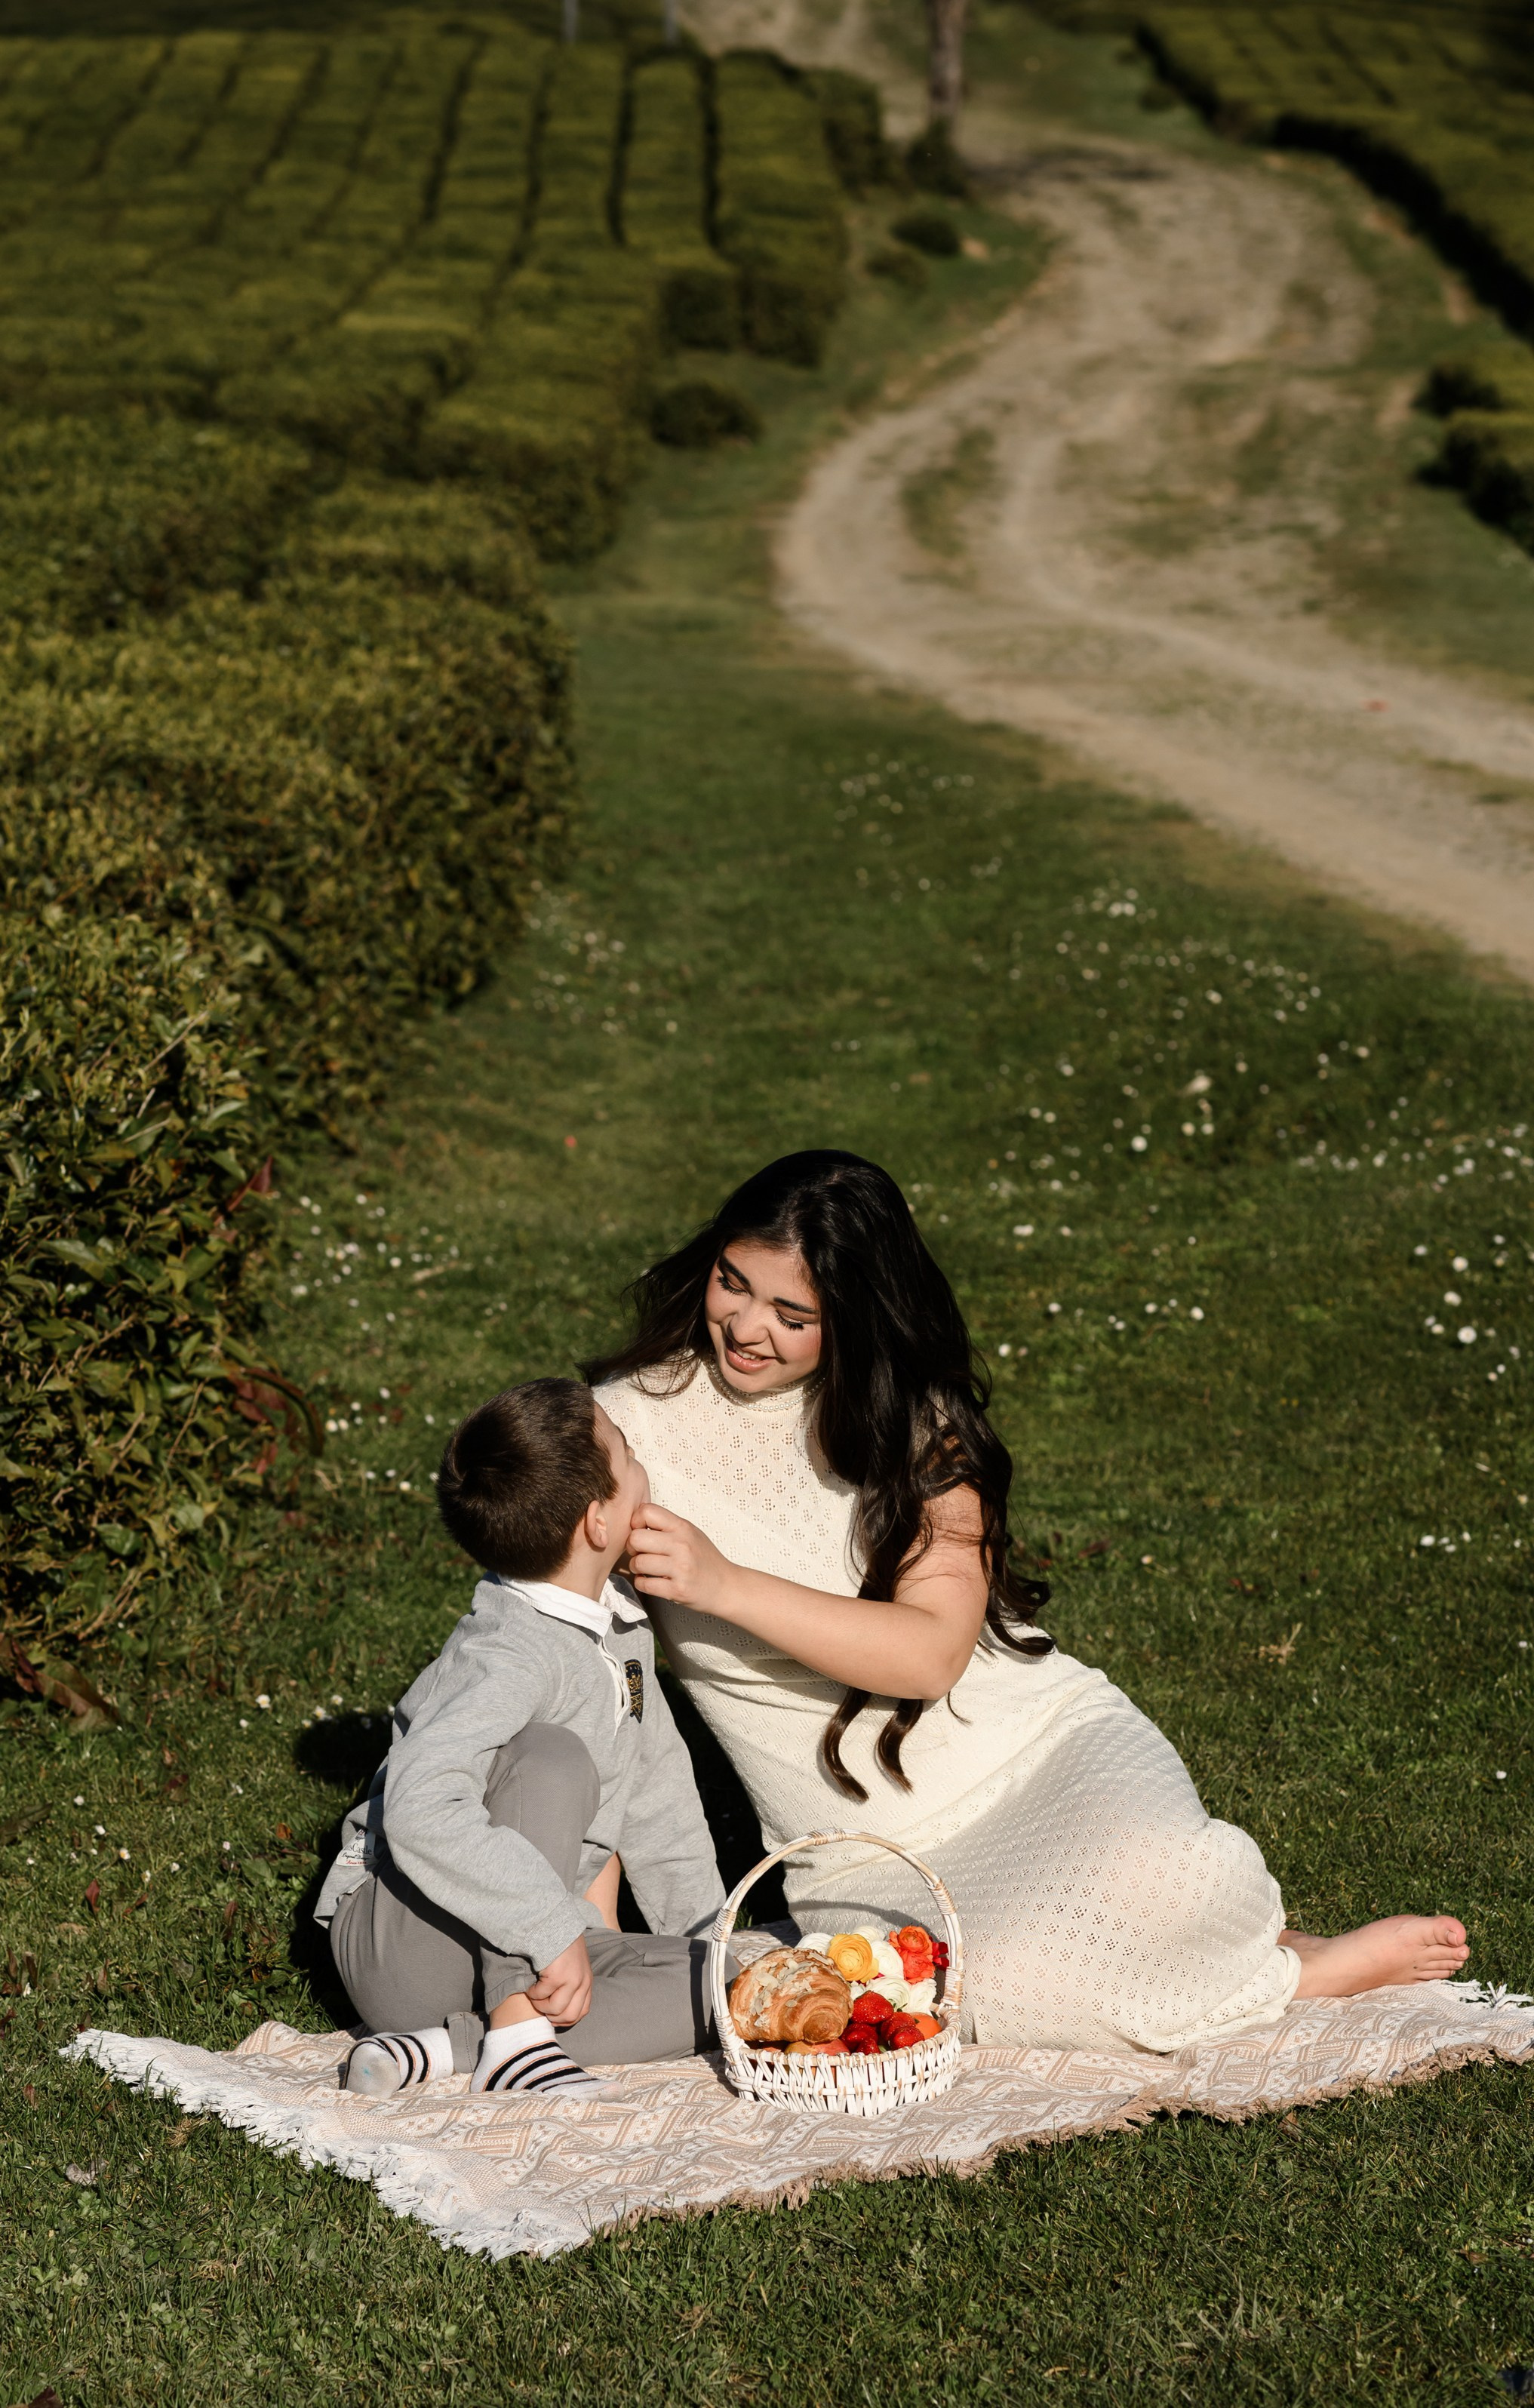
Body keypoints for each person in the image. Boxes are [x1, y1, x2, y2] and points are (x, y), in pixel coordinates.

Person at [589, 1151, 1469, 2055]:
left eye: (793, 1314)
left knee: (1163, 1868)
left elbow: (930, 1652)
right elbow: (563, 1638)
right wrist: (588, 1920)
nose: (744, 1325)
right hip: (869, 1839)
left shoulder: (916, 1422)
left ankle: (1279, 1959)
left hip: (1038, 1743)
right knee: (1008, 1989)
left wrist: (723, 1584)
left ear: (856, 1321)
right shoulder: (627, 1427)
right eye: (731, 1283)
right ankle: (1289, 1968)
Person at [314, 1377, 736, 2099]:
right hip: (408, 1941)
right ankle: (512, 2034)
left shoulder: (622, 1625)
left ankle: (444, 2048)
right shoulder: (509, 1649)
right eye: (630, 1456)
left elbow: (660, 1797)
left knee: (726, 1989)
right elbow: (420, 1805)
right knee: (549, 1757)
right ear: (598, 1524)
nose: (643, 1469)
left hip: (522, 1942)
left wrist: (705, 1939)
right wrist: (544, 1923)